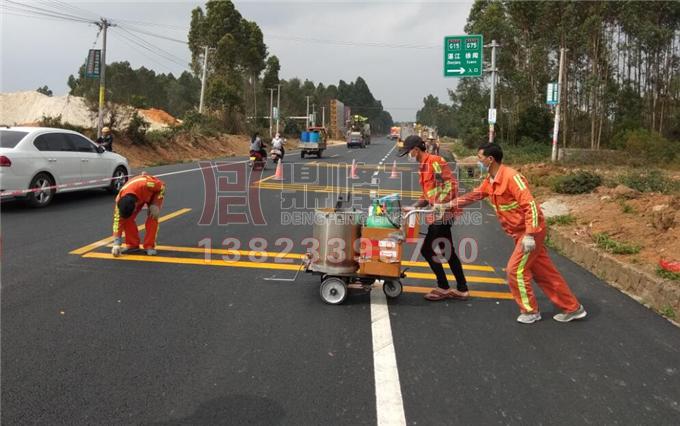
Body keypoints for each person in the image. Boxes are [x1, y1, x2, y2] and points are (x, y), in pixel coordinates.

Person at [454, 142, 586, 324]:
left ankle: (530, 311)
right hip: (519, 234)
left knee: (514, 270)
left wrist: (530, 234)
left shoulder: (511, 177)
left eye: (480, 158)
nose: (478, 161)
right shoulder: (490, 180)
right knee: (544, 274)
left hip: (530, 233)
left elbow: (530, 205)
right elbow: (474, 195)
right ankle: (573, 308)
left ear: (490, 159)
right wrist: (448, 205)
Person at [398, 135, 469, 301]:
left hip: (444, 214)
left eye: (408, 152)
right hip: (437, 213)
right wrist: (414, 207)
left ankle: (446, 286)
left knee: (428, 249)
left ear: (415, 149)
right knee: (446, 250)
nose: (408, 155)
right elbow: (427, 194)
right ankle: (460, 287)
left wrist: (441, 203)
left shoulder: (434, 161)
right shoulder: (422, 166)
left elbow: (451, 185)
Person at [111, 173, 166, 257]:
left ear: (135, 206)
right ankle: (132, 245)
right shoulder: (120, 200)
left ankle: (149, 246)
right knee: (127, 220)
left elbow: (162, 186)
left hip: (152, 194)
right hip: (137, 196)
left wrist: (156, 204)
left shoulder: (147, 184)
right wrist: (116, 243)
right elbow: (117, 222)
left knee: (153, 216)